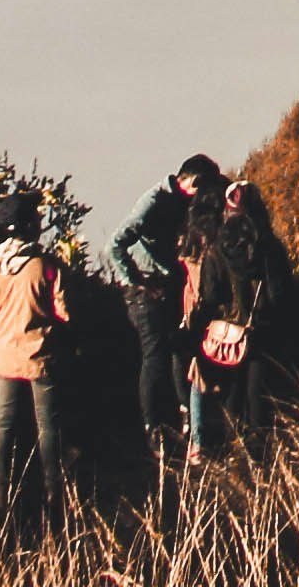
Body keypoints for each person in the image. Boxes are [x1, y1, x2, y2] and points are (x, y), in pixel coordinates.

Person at [0, 189, 72, 516]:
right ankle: (54, 492)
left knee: (4, 423)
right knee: (48, 425)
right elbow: (65, 311)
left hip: (5, 354)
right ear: (29, 225)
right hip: (41, 357)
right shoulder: (46, 264)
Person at [110, 153, 223, 447]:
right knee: (155, 355)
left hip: (170, 285)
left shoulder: (183, 201)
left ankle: (183, 414)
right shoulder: (153, 202)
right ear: (194, 183)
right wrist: (136, 281)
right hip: (146, 290)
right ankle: (153, 428)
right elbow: (116, 243)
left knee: (178, 349)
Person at [182, 177, 295, 462]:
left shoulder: (218, 250)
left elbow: (209, 296)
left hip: (229, 332)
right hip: (261, 329)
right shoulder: (270, 248)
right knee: (258, 393)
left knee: (233, 390)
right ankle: (259, 453)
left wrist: (197, 326)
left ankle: (236, 449)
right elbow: (281, 294)